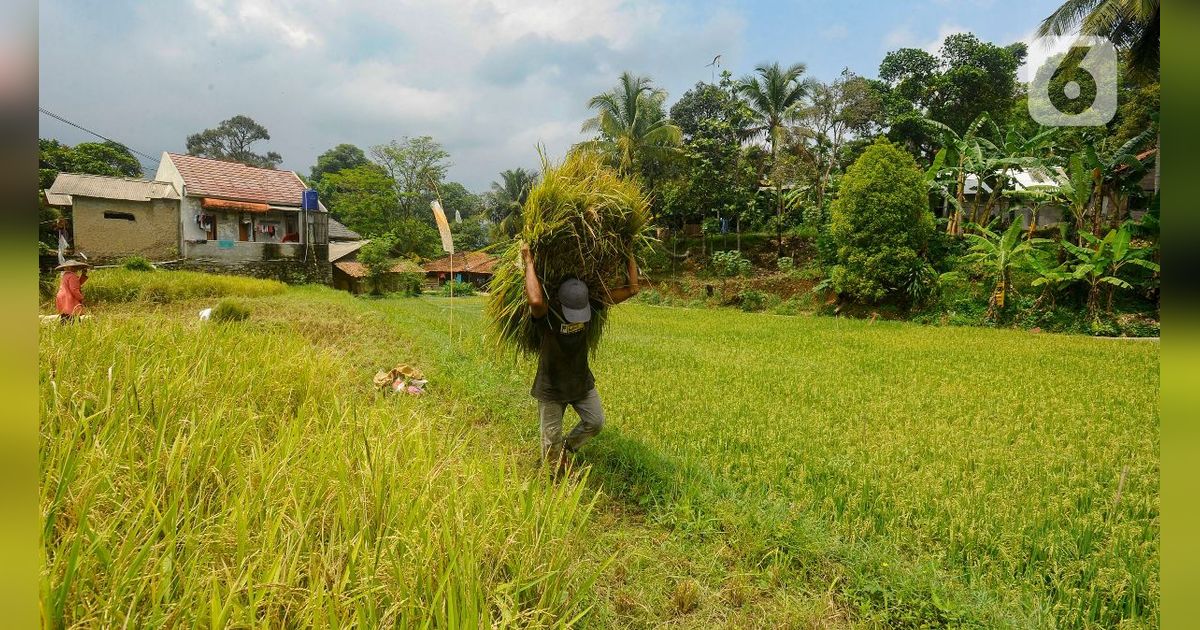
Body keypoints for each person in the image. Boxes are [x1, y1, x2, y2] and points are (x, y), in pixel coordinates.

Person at [520, 241, 639, 476]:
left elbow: (632, 289)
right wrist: (529, 261)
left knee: (595, 423)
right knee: (550, 449)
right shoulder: (547, 311)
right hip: (551, 386)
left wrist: (629, 254)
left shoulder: (591, 304)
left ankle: (567, 447)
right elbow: (534, 300)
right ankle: (556, 479)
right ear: (559, 302)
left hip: (580, 381)